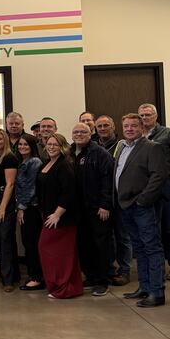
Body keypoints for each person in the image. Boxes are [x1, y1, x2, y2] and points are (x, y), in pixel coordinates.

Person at [115, 113, 168, 307]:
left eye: (133, 126)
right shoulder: (122, 148)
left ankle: (156, 292)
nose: (129, 129)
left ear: (142, 128)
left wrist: (143, 200)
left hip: (142, 207)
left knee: (152, 247)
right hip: (125, 207)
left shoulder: (152, 148)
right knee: (139, 248)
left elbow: (158, 176)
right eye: (126, 126)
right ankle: (144, 288)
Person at [138, 103, 170, 282]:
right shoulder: (138, 136)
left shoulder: (169, 134)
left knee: (168, 225)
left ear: (156, 116)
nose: (144, 118)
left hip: (165, 186)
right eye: (141, 115)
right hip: (144, 187)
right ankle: (156, 267)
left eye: (148, 115)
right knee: (150, 226)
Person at [37, 133, 82, 299]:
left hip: (62, 218)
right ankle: (67, 286)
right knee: (55, 252)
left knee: (55, 251)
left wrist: (57, 214)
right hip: (49, 215)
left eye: (55, 144)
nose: (51, 147)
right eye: (49, 144)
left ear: (62, 147)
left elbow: (69, 192)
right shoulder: (48, 163)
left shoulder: (64, 165)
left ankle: (64, 287)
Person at [71, 123, 114, 297]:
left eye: (83, 132)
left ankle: (102, 281)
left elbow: (107, 181)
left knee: (100, 244)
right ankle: (90, 276)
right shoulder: (69, 152)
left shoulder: (100, 153)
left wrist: (105, 205)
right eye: (76, 132)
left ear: (91, 134)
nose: (79, 134)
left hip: (97, 208)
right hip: (78, 209)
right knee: (83, 244)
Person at [96, 115, 132, 285]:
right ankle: (110, 270)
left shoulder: (122, 146)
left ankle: (124, 271)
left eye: (106, 125)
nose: (103, 128)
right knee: (107, 237)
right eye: (99, 126)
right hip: (103, 200)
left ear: (113, 128)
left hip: (119, 199)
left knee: (122, 236)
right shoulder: (94, 147)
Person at [0, 128, 20, 291]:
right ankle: (10, 275)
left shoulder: (9, 158)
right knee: (1, 238)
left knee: (5, 238)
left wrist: (2, 207)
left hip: (4, 199)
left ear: (5, 140)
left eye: (0, 139)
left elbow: (10, 184)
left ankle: (8, 281)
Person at [15, 134, 44, 291]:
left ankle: (37, 278)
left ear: (32, 146)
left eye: (26, 144)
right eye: (20, 144)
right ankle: (35, 275)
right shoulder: (23, 162)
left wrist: (21, 208)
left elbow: (30, 187)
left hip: (30, 208)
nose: (22, 147)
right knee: (28, 243)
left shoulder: (34, 162)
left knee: (32, 244)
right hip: (26, 207)